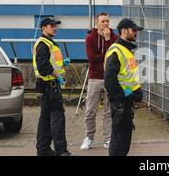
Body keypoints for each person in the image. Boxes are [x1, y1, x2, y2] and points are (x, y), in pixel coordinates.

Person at [33, 17, 73, 156]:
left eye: (55, 26)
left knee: (45, 120)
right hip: (51, 86)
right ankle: (62, 151)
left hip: (48, 87)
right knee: (57, 119)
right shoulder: (43, 43)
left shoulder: (49, 43)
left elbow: (52, 63)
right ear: (44, 27)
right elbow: (44, 67)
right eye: (51, 26)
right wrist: (58, 77)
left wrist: (63, 64)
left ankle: (43, 149)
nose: (54, 28)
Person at [104, 18, 143, 156]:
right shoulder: (116, 51)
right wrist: (123, 95)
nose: (136, 33)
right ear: (124, 31)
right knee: (119, 143)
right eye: (134, 30)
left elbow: (129, 77)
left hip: (125, 103)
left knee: (123, 142)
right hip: (120, 104)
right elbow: (109, 80)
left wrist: (135, 93)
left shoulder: (126, 50)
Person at [80, 12, 118, 150]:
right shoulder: (90, 38)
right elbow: (91, 58)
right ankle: (89, 137)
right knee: (90, 109)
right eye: (103, 21)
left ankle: (107, 139)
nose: (106, 24)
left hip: (109, 78)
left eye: (107, 21)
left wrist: (108, 40)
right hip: (95, 77)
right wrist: (105, 58)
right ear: (97, 23)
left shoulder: (114, 37)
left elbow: (113, 57)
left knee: (108, 111)